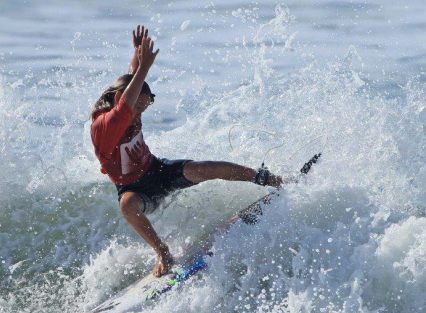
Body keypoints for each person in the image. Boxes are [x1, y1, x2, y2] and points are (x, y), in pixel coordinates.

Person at [90, 25, 282, 277]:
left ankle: (270, 179)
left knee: (205, 168)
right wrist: (145, 67)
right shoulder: (106, 125)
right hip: (134, 188)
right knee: (127, 206)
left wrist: (138, 58)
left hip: (156, 169)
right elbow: (127, 101)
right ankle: (162, 252)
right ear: (119, 101)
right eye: (139, 108)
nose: (139, 114)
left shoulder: (126, 101)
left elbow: (130, 82)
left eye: (145, 108)